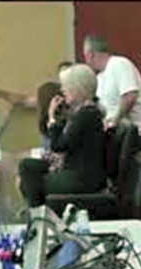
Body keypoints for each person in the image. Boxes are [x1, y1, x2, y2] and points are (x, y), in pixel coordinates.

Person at [18, 64, 106, 208]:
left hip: (81, 179)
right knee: (27, 166)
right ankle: (39, 213)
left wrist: (52, 117)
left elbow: (58, 146)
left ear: (78, 89)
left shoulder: (86, 115)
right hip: (76, 171)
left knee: (32, 184)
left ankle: (39, 214)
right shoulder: (86, 112)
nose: (63, 90)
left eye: (66, 87)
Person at [82, 34, 141, 158]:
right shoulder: (99, 77)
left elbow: (130, 96)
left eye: (85, 56)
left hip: (140, 134)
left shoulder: (118, 63)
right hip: (122, 136)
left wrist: (115, 121)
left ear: (90, 54)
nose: (85, 61)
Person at [0, 61, 73, 109]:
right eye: (62, 75)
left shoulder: (84, 99)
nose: (65, 79)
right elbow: (24, 101)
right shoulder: (52, 97)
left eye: (69, 75)